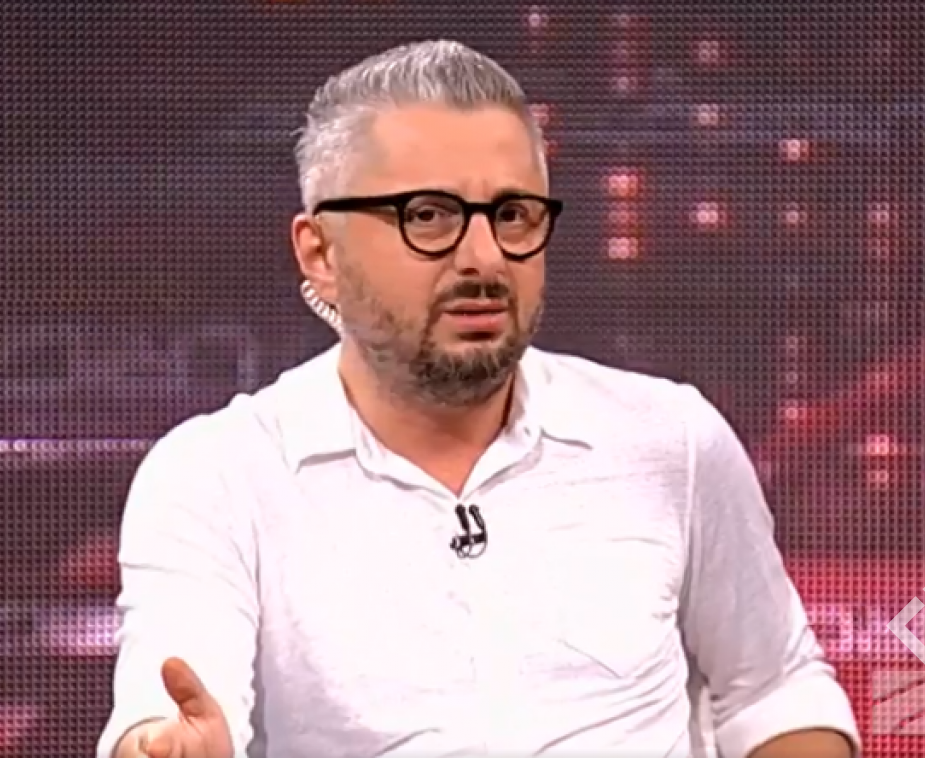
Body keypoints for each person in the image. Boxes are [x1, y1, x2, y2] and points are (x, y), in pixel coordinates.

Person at [96, 40, 861, 758]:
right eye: (428, 217)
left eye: (514, 215)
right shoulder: (219, 476)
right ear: (321, 253)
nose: (485, 258)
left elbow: (776, 690)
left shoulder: (671, 442)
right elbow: (169, 708)